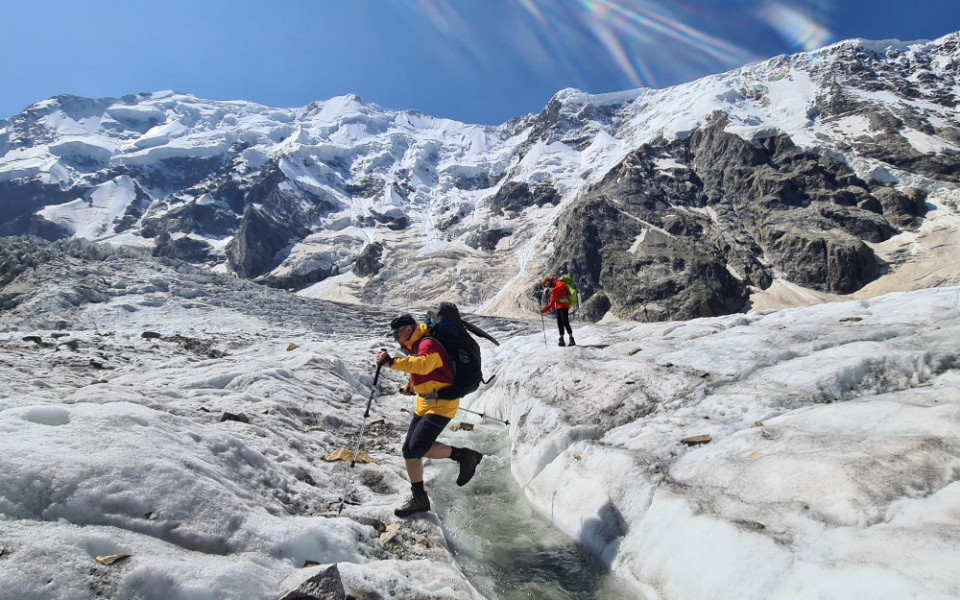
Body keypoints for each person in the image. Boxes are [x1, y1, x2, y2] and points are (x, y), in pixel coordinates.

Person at [375, 313, 484, 517]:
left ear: (407, 330)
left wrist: (391, 362)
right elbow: (425, 372)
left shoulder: (427, 344)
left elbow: (424, 364)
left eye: (397, 334)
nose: (395, 339)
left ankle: (464, 455)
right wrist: (411, 387)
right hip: (425, 402)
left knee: (416, 448)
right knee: (409, 450)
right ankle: (419, 498)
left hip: (442, 404)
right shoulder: (417, 344)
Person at [541, 276, 575, 346]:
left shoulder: (556, 282)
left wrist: (553, 290)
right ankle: (561, 339)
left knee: (565, 321)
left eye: (547, 282)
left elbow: (563, 285)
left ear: (549, 280)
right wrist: (544, 310)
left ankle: (571, 338)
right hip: (558, 306)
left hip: (564, 304)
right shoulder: (552, 289)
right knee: (560, 323)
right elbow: (551, 303)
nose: (547, 284)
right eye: (545, 284)